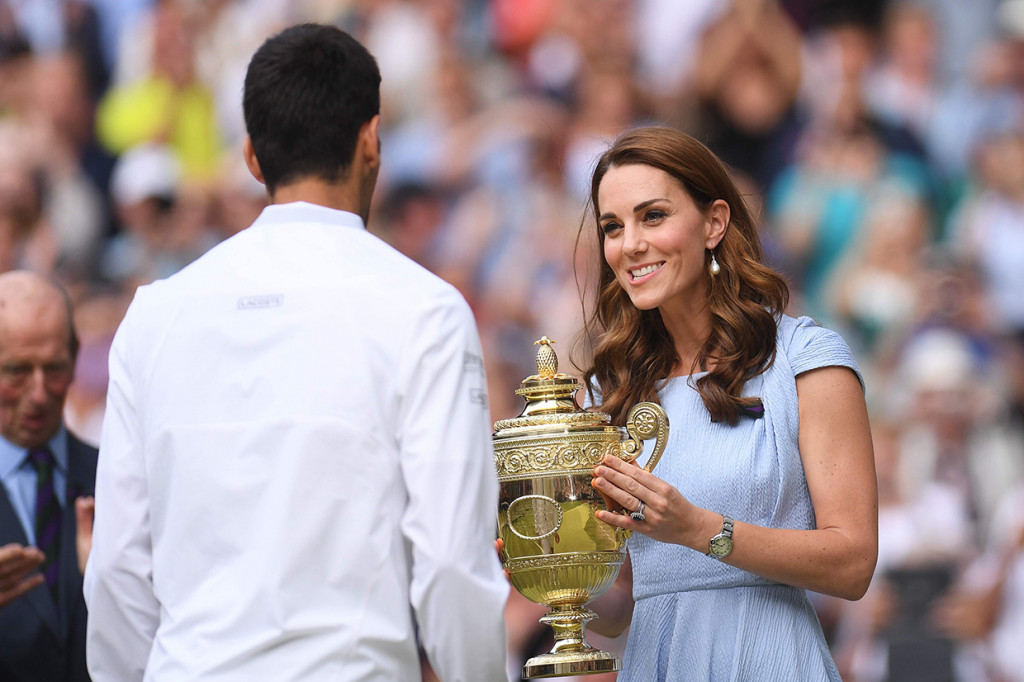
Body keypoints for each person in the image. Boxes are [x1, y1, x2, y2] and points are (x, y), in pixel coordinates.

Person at [84, 23, 509, 682]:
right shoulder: (426, 310)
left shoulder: (155, 316)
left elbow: (115, 567)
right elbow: (453, 560)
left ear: (251, 157)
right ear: (372, 141)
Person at [579, 126, 878, 680]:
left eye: (653, 216)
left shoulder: (805, 358)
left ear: (714, 223)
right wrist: (557, 577)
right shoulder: (609, 393)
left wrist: (697, 529)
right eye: (612, 227)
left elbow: (854, 562)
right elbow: (621, 604)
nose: (631, 245)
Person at [0, 270, 98, 682]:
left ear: (76, 358)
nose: (39, 393)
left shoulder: (117, 480)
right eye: (17, 370)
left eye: (54, 368)